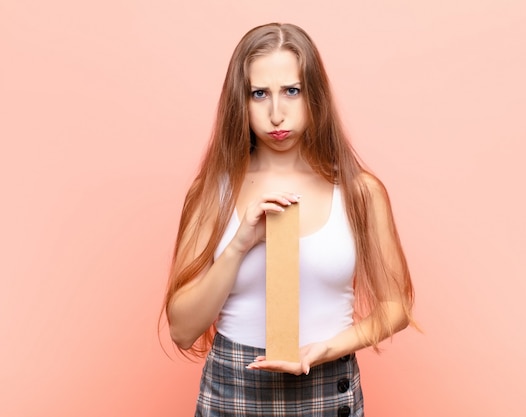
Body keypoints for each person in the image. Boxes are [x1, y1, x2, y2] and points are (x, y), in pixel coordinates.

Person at [162, 22, 416, 417]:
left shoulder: (359, 192)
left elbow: (395, 306)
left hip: (327, 386)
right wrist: (240, 243)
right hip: (232, 390)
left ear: (314, 95)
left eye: (291, 91)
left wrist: (326, 349)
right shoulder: (213, 193)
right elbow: (181, 331)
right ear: (239, 102)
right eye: (259, 93)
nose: (276, 114)